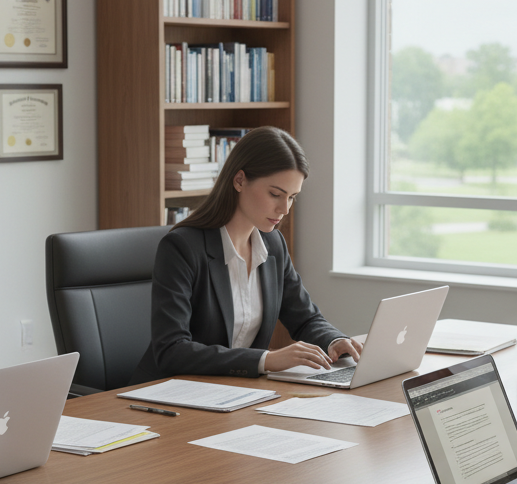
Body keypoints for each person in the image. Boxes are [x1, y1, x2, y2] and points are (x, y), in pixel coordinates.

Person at [130, 126, 362, 384]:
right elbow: (171, 350)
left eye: (292, 197)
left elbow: (305, 317)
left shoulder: (272, 245)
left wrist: (335, 340)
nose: (284, 208)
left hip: (234, 393)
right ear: (239, 180)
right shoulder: (182, 247)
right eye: (275, 194)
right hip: (166, 394)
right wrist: (265, 360)